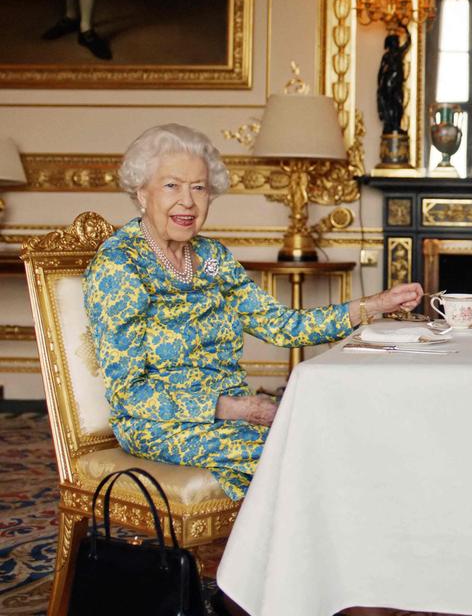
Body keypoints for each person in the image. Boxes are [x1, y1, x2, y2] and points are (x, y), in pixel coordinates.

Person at [83, 124, 424, 500]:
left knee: (337, 431)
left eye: (199, 187)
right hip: (159, 425)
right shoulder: (120, 266)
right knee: (309, 453)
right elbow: (128, 393)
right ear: (141, 193)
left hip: (232, 415)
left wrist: (374, 304)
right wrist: (229, 408)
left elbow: (283, 326)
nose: (188, 202)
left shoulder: (211, 257)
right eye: (171, 186)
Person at [376, 31, 412, 133]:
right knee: (390, 104)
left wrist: (406, 29)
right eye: (395, 41)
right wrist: (380, 84)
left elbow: (408, 43)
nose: (396, 43)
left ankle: (396, 124)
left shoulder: (399, 52)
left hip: (397, 83)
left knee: (398, 103)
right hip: (389, 82)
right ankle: (391, 125)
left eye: (397, 41)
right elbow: (381, 71)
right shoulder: (387, 56)